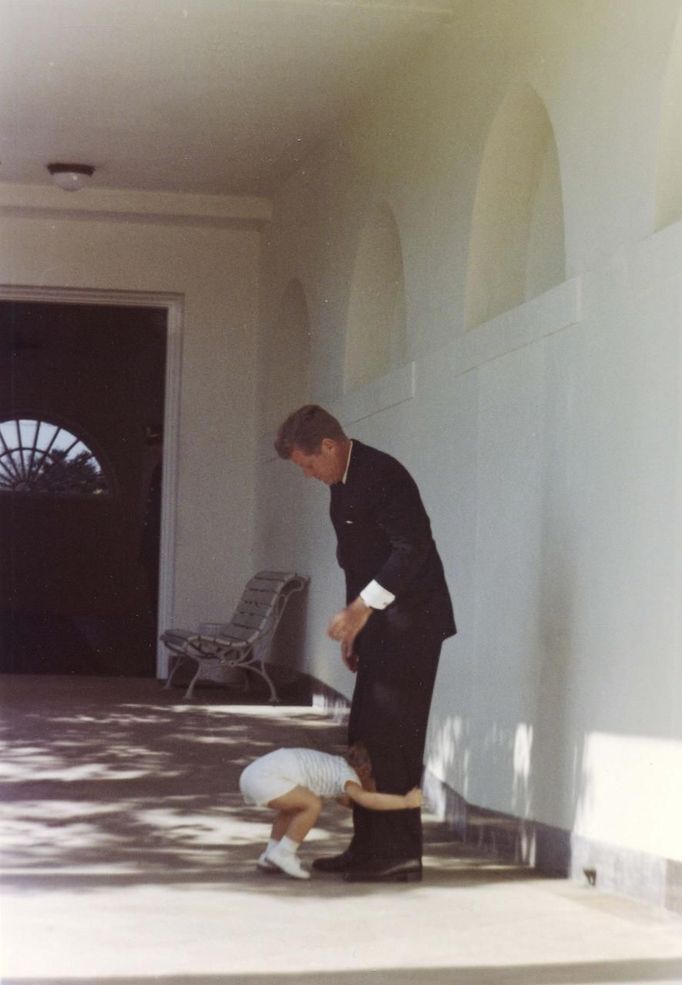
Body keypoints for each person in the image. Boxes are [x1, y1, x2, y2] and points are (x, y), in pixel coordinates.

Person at [274, 405, 456, 883]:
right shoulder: (342, 484)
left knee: (395, 742)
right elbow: (356, 563)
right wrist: (355, 627)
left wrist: (361, 611)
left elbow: (411, 549)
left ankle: (398, 856)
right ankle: (368, 846)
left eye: (310, 465)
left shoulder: (383, 475)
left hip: (414, 626)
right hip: (381, 627)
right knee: (365, 741)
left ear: (329, 446)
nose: (310, 476)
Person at [239, 743, 422, 880]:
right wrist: (405, 802)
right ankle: (284, 853)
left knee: (293, 808)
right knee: (313, 805)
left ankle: (271, 855)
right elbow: (366, 800)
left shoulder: (334, 766)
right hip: (268, 777)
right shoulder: (349, 777)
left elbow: (344, 799)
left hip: (252, 774)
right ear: (365, 771)